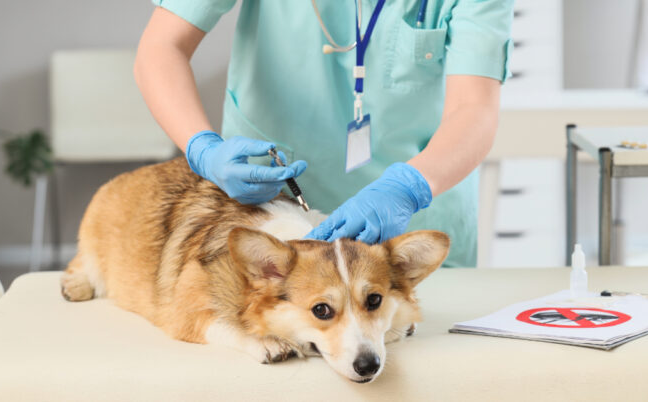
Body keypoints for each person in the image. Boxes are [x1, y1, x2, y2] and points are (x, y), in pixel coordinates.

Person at [134, 0, 514, 267]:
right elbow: (162, 47)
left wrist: (408, 188)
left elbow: (475, 108)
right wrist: (202, 148)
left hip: (411, 227)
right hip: (270, 219)